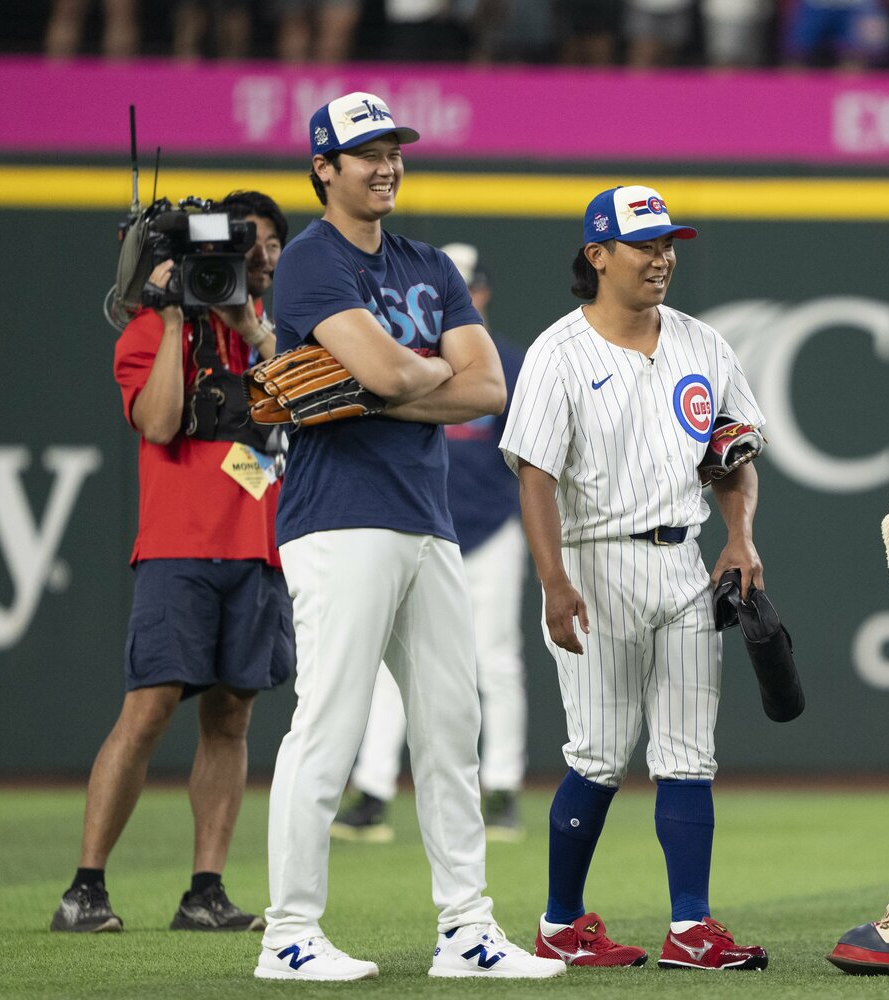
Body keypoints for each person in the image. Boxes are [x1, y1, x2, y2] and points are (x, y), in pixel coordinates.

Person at [252, 91, 565, 982]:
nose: (387, 164)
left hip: (426, 517)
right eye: (367, 152)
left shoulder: (426, 261)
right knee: (329, 726)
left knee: (450, 727)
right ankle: (289, 935)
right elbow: (402, 370)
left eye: (394, 149)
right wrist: (409, 375)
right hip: (338, 516)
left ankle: (466, 931)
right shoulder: (311, 261)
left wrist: (377, 387)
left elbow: (488, 388)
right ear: (324, 169)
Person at [499, 185, 770, 972]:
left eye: (668, 244)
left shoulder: (701, 344)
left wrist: (740, 538)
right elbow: (535, 477)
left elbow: (733, 454)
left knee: (688, 754)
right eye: (644, 245)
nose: (662, 258)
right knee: (599, 752)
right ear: (598, 254)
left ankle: (691, 928)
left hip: (684, 560)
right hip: (596, 561)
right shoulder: (559, 352)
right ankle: (560, 923)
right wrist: (553, 581)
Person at [51, 191, 292, 934]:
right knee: (148, 710)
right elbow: (158, 423)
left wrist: (248, 328)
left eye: (269, 244)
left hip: (258, 547)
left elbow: (302, 410)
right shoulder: (148, 330)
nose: (257, 256)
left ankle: (205, 891)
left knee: (231, 718)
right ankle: (86, 888)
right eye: (243, 245)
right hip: (177, 546)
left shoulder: (278, 334)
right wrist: (176, 319)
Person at [331, 242, 530, 846]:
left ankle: (502, 788)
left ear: (483, 292)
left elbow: (528, 457)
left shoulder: (506, 361)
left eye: (466, 287)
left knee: (495, 660)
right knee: (395, 662)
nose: (457, 297)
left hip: (490, 527)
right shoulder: (400, 358)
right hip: (418, 521)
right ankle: (372, 791)